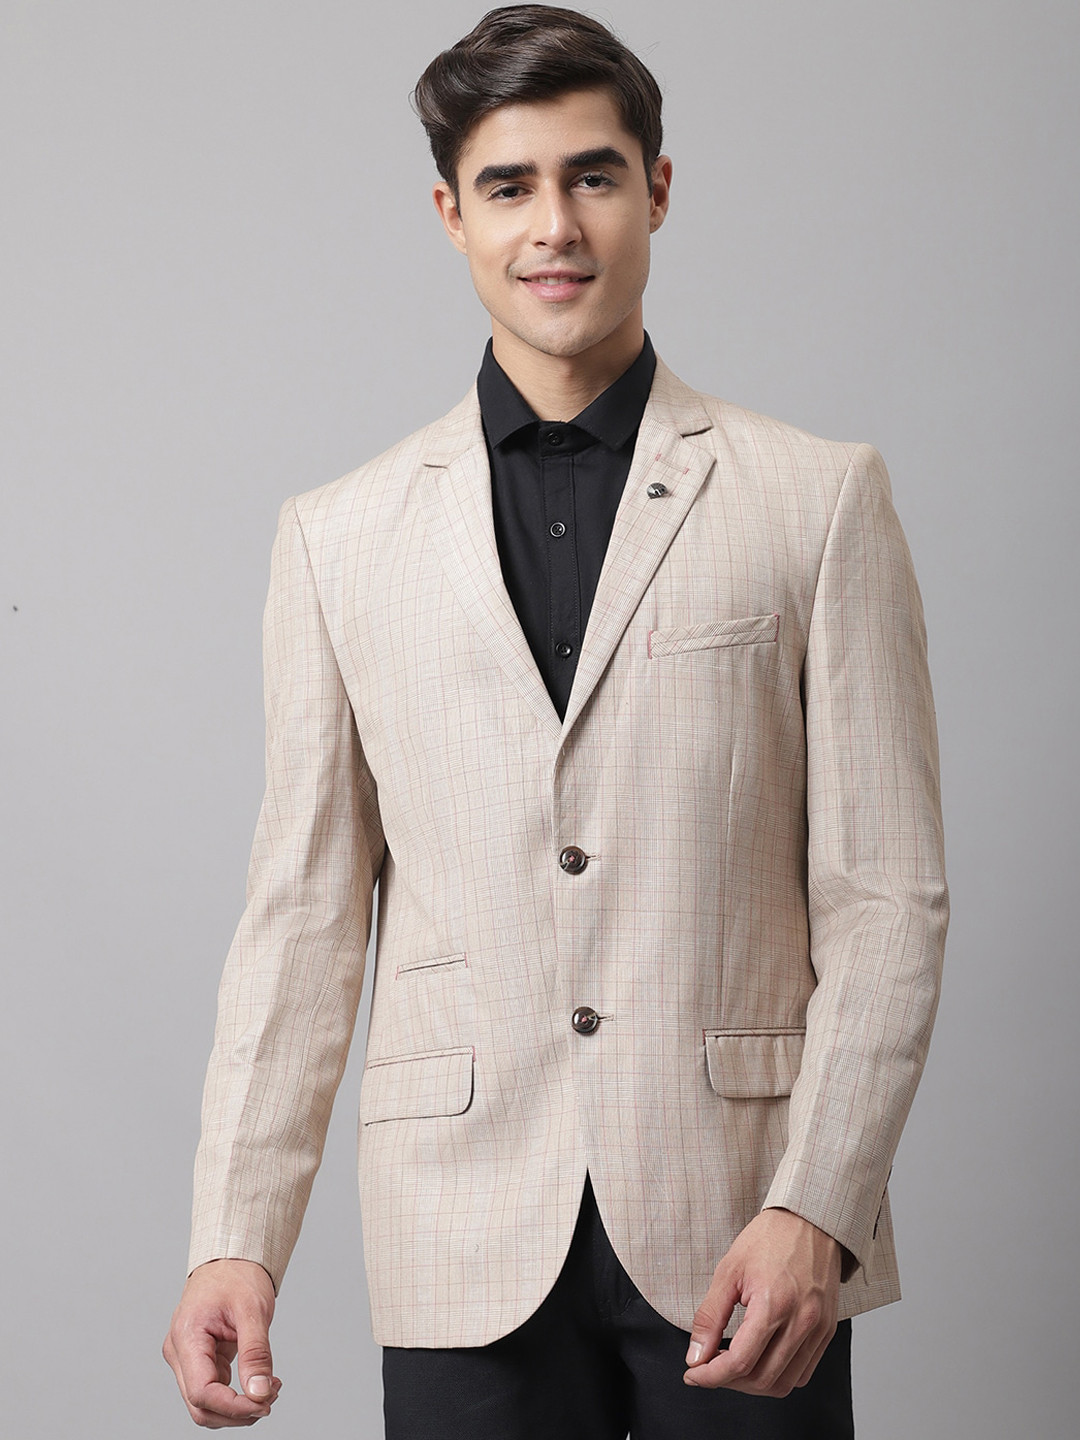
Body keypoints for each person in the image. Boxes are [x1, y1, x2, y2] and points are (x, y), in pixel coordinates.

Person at [163, 6, 948, 1435]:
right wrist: (235, 1233)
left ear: (658, 189)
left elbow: (886, 896)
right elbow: (302, 921)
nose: (555, 227)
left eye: (593, 175)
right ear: (451, 215)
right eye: (510, 186)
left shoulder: (816, 498)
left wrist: (820, 1208)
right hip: (460, 1227)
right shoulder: (338, 539)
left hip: (748, 1226)